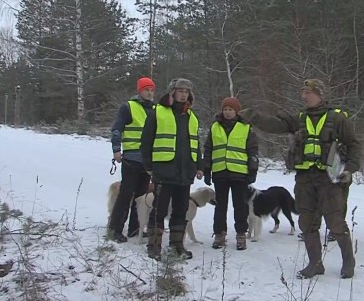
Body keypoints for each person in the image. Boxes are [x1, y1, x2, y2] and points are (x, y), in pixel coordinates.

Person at [240, 79, 361, 279]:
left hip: (330, 180)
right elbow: (275, 125)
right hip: (305, 179)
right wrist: (253, 116)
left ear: (320, 94)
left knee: (336, 223)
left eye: (309, 92)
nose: (304, 96)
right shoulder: (299, 119)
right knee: (307, 224)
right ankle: (315, 264)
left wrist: (349, 170)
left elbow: (354, 145)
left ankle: (348, 262)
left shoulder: (338, 119)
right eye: (303, 92)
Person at [140, 78, 204, 260]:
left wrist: (199, 165)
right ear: (172, 92)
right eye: (180, 90)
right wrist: (148, 166)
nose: (183, 94)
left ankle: (177, 246)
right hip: (164, 170)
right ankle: (154, 246)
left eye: (186, 91)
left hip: (185, 172)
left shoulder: (191, 116)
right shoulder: (157, 112)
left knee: (180, 210)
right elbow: (146, 141)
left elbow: (195, 143)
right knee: (159, 209)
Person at [203, 97, 258, 251]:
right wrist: (207, 169)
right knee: (220, 206)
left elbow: (253, 150)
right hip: (220, 172)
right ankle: (219, 234)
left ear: (236, 111)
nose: (227, 112)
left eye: (230, 109)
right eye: (225, 109)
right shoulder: (215, 127)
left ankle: (241, 234)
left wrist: (252, 169)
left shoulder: (246, 127)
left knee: (240, 205)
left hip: (239, 173)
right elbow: (208, 149)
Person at [107, 77, 156, 243]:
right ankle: (115, 230)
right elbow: (116, 129)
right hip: (131, 158)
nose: (149, 93)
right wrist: (116, 150)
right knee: (126, 194)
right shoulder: (128, 107)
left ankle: (135, 229)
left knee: (141, 196)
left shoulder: (155, 109)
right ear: (139, 91)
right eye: (146, 89)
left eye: (151, 90)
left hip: (148, 159)